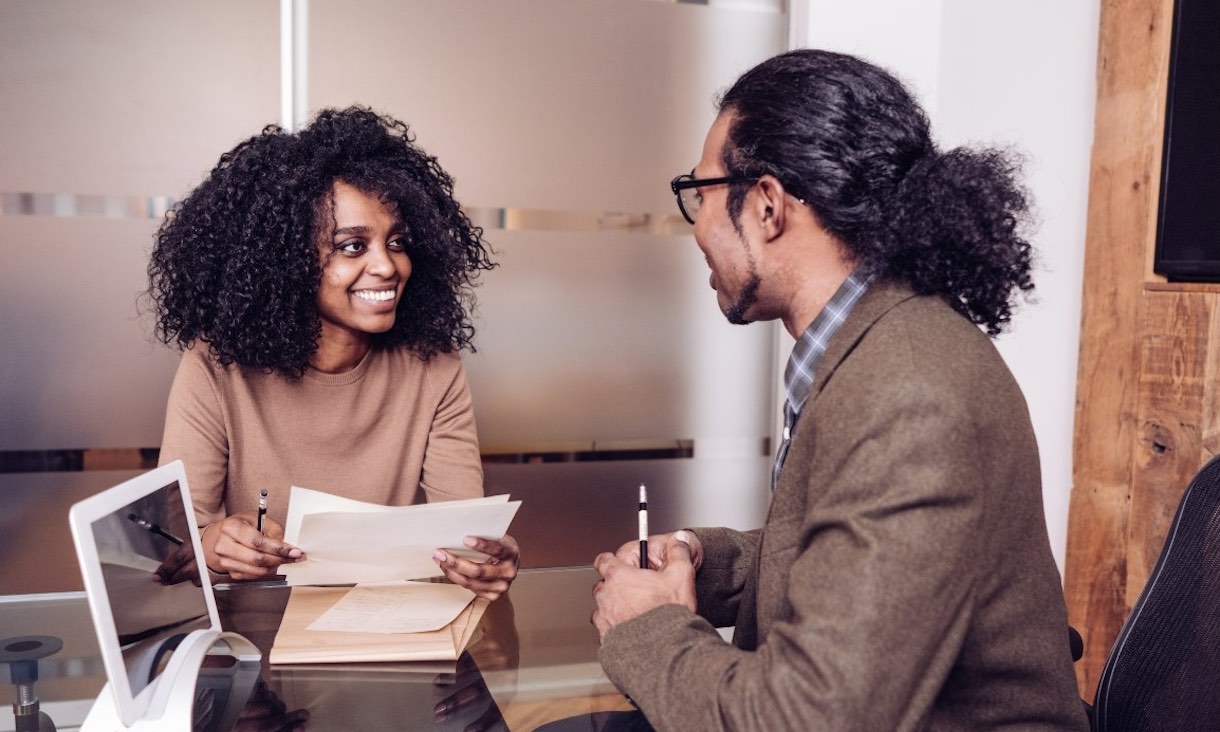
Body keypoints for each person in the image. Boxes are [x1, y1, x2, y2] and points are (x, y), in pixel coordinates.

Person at [591, 50, 1089, 730]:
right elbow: (848, 555)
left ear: (766, 205)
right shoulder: (870, 346)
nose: (699, 228)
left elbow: (811, 719)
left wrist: (649, 626)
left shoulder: (911, 393)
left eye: (700, 194)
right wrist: (707, 564)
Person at [147, 106, 518, 599]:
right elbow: (168, 552)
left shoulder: (434, 366)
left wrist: (486, 559)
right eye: (352, 246)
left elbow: (465, 534)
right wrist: (212, 546)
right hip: (250, 645)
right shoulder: (215, 368)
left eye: (398, 241)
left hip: (386, 636)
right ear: (285, 261)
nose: (387, 266)